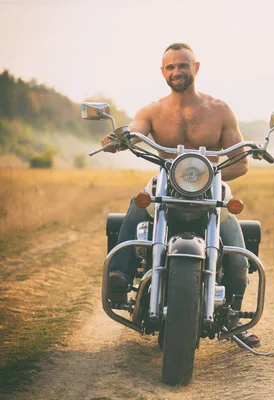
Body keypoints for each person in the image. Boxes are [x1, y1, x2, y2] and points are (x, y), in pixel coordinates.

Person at [100, 42, 260, 347]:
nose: (177, 72)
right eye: (170, 67)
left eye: (183, 65)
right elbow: (135, 130)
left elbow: (241, 163)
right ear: (162, 72)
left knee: (239, 263)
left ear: (196, 68)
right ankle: (119, 277)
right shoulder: (153, 111)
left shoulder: (219, 110)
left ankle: (235, 320)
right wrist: (118, 139)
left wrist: (202, 179)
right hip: (166, 185)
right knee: (139, 201)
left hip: (210, 189)